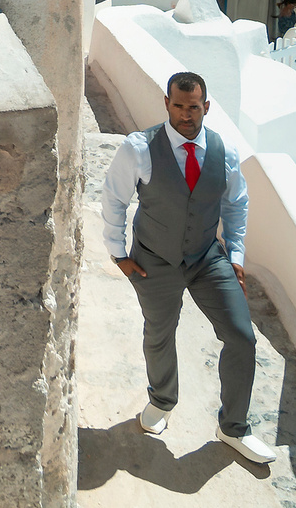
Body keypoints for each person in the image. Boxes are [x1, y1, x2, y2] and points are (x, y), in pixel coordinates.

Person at [99, 72, 279, 463]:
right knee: (160, 333)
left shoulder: (224, 150)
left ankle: (233, 428)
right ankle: (161, 402)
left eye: (193, 107)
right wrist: (119, 254)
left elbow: (236, 203)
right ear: (167, 103)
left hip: (206, 257)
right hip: (153, 260)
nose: (185, 114)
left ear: (206, 107)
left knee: (242, 337)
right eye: (178, 105)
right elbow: (114, 199)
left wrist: (235, 256)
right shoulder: (139, 148)